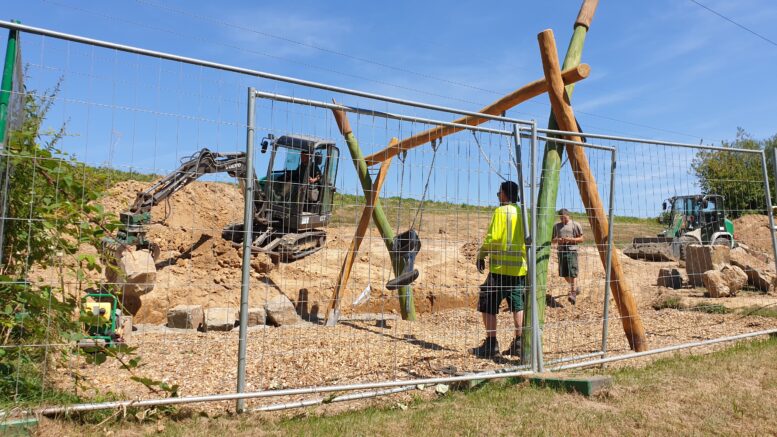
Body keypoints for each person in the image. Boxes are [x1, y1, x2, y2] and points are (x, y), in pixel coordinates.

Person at [471, 180, 527, 358]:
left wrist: (481, 254)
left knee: (487, 303)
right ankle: (519, 343)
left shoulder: (500, 212)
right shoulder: (523, 213)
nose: (497, 196)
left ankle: (490, 344)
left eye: (498, 193)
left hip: (499, 269)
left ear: (504, 194)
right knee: (518, 305)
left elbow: (492, 238)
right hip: (518, 269)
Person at [552, 208, 584, 305]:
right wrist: (558, 240)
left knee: (572, 272)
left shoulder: (575, 225)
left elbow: (581, 239)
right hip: (561, 251)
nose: (563, 220)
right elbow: (552, 240)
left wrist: (569, 239)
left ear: (568, 215)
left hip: (572, 251)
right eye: (561, 218)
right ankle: (575, 287)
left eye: (564, 218)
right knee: (564, 274)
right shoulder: (556, 226)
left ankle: (572, 293)